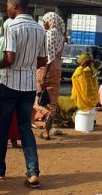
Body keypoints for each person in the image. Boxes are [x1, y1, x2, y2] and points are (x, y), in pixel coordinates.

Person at [0, 0, 46, 189]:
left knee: (2, 128)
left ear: (14, 5)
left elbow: (10, 58)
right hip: (29, 85)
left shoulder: (10, 25)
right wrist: (28, 63)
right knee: (25, 128)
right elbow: (42, 60)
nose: (7, 9)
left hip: (10, 83)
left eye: (8, 5)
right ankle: (33, 172)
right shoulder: (40, 29)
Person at [0, 20, 20, 149]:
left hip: (0, 79)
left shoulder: (1, 41)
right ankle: (13, 140)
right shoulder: (17, 42)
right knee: (13, 113)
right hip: (14, 81)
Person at [32, 12, 66, 140]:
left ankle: (44, 117)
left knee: (37, 99)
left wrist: (43, 77)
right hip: (57, 69)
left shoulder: (49, 34)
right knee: (52, 102)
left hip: (46, 70)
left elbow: (48, 58)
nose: (43, 24)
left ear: (50, 22)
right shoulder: (61, 36)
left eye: (44, 21)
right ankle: (46, 131)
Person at [55, 52, 100, 125]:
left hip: (82, 102)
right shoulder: (94, 72)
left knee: (57, 100)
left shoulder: (81, 73)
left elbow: (74, 77)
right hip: (92, 101)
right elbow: (98, 65)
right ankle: (67, 120)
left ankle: (63, 120)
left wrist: (82, 65)